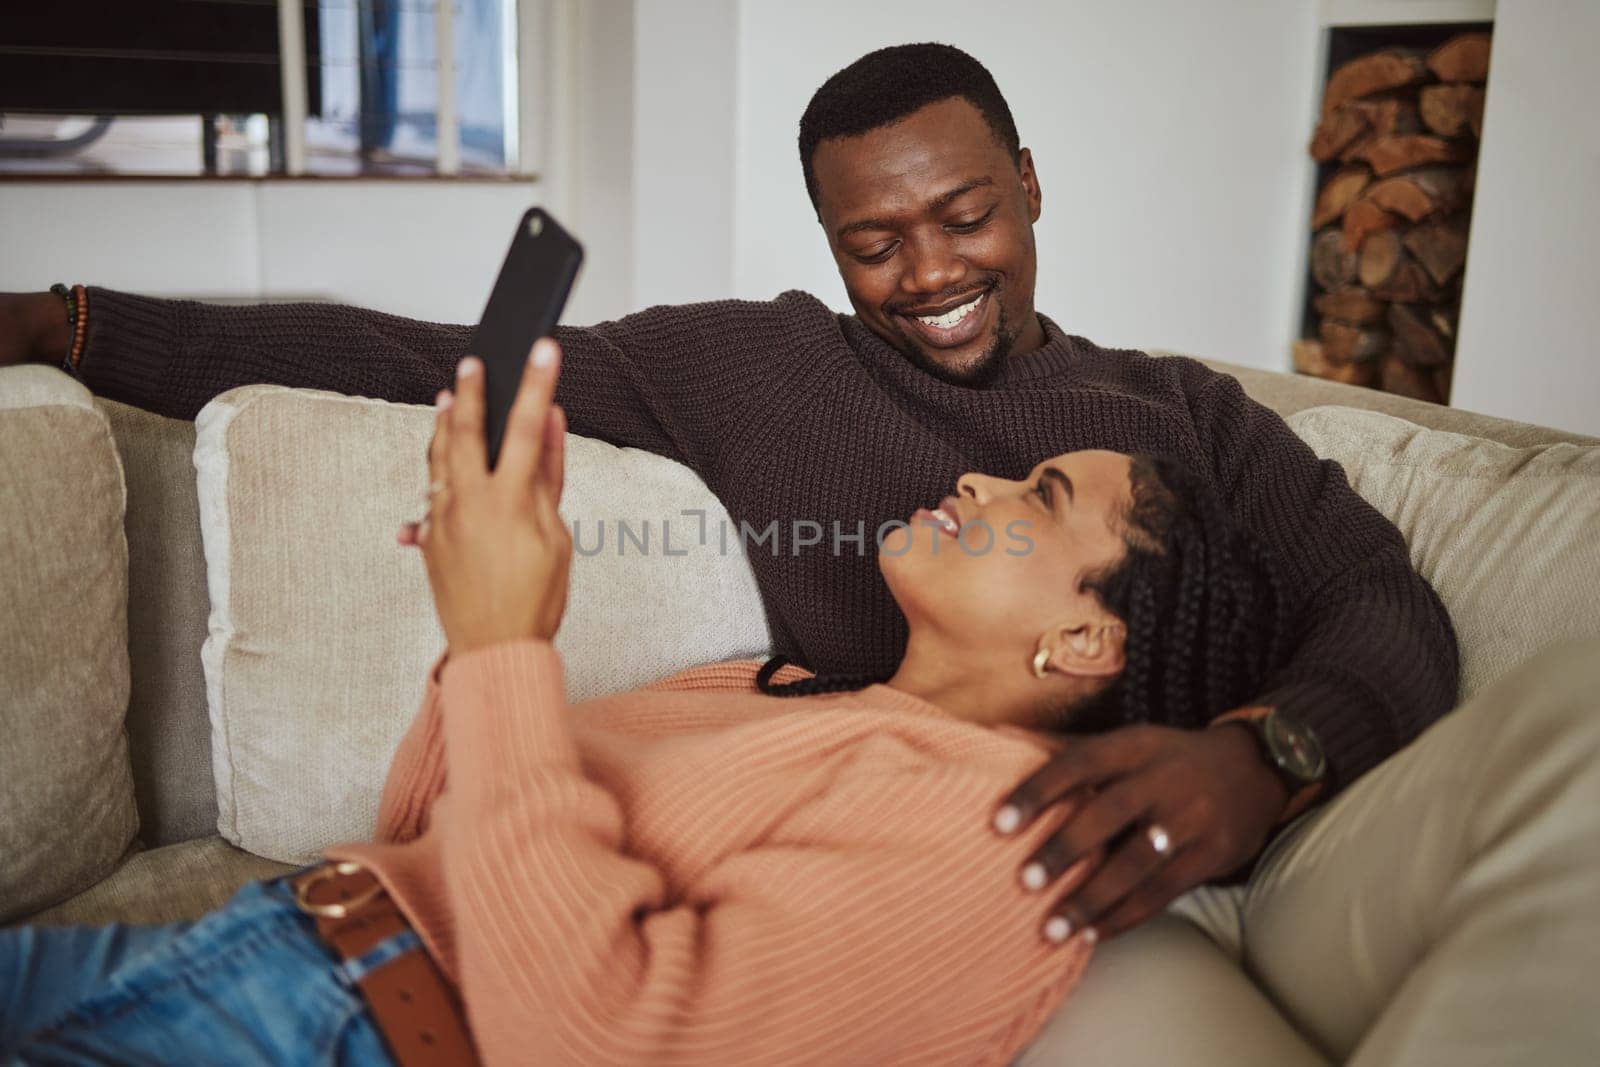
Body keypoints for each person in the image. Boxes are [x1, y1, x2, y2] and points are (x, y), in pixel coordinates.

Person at [0, 43, 1459, 941]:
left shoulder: (1178, 412)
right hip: (833, 866)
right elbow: (445, 357)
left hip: (1079, 896)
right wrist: (71, 322)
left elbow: (1382, 600)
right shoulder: (754, 364)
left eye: (965, 216)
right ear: (829, 239)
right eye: (874, 241)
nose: (934, 273)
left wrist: (1266, 759)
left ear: (1026, 182)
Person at [2, 340, 1293, 1063]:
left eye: (1042, 501)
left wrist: (507, 644)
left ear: (1083, 638)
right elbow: (432, 826)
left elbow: (593, 1037)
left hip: (332, 1031)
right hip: (264, 945)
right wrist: (489, 628)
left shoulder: (993, 837)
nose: (980, 482)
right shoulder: (771, 692)